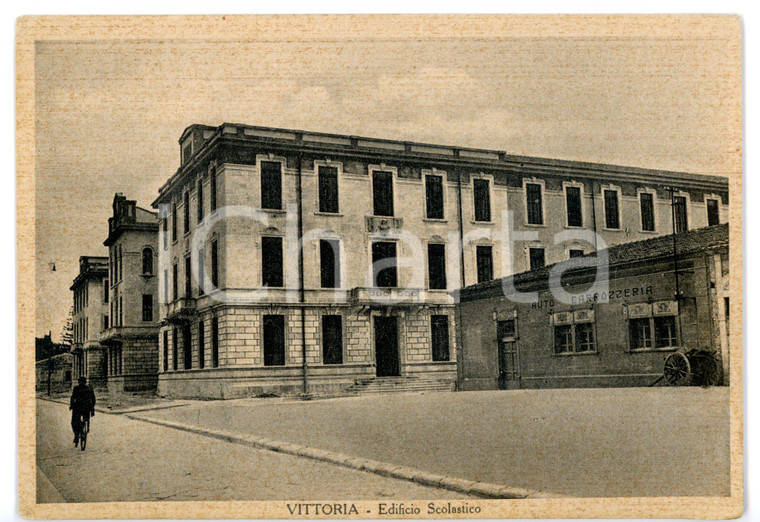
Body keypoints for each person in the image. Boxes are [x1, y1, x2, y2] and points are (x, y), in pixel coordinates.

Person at [69, 376, 96, 446]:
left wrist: (71, 406)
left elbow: (73, 398)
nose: (81, 383)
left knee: (74, 422)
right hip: (84, 408)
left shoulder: (77, 388)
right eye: (80, 382)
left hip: (78, 407)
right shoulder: (88, 389)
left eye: (81, 382)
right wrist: (92, 410)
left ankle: (77, 435)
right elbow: (93, 400)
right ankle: (81, 432)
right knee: (75, 422)